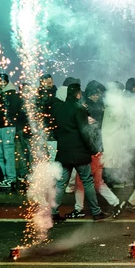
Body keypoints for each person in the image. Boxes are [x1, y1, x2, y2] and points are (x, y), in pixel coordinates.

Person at [51, 82, 108, 221]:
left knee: (60, 182)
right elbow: (84, 131)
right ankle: (96, 212)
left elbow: (56, 129)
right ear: (78, 94)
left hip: (64, 150)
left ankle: (53, 212)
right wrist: (93, 148)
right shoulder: (79, 108)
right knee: (87, 181)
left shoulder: (59, 108)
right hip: (79, 151)